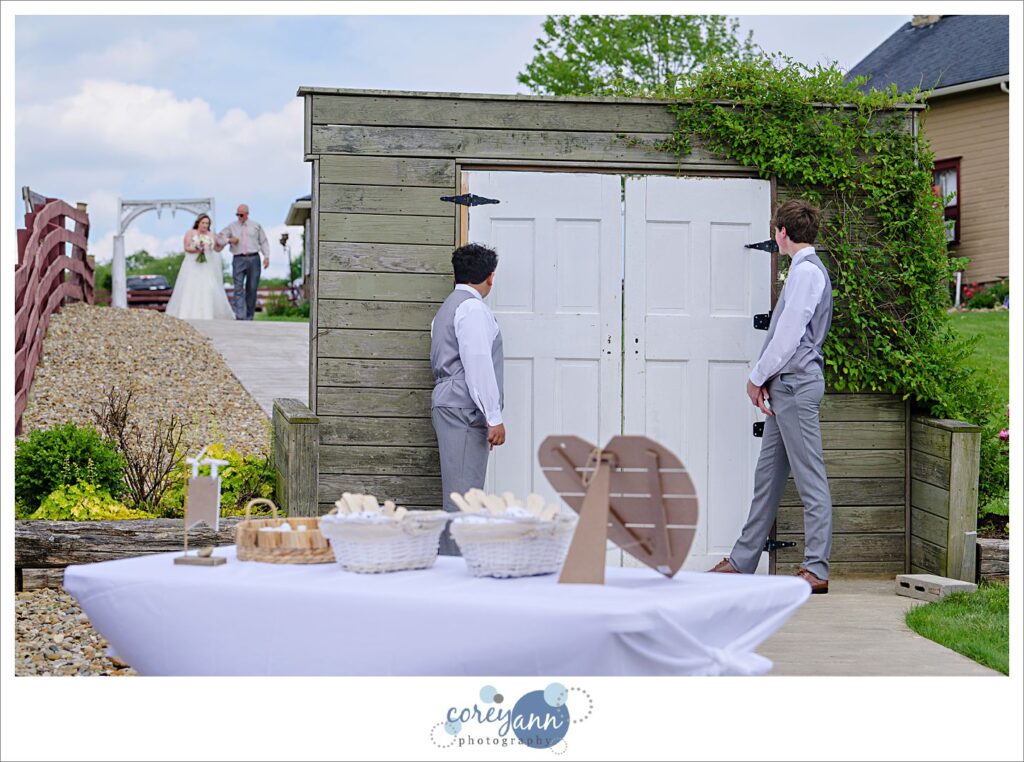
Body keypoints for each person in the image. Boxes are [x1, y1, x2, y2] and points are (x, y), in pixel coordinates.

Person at [709, 199, 834, 594]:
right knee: (768, 476)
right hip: (788, 386)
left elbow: (787, 336)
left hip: (795, 385)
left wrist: (755, 377)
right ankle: (743, 560)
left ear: (782, 232)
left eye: (775, 231)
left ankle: (817, 568)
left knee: (809, 476)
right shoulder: (803, 271)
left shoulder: (805, 275)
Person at [430, 243, 506, 554]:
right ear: (490, 277)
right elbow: (478, 364)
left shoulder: (448, 307)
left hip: (450, 402)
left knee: (460, 494)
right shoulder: (472, 309)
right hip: (464, 407)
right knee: (464, 498)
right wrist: (494, 416)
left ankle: (453, 563)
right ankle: (455, 569)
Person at [165, 213, 235, 321]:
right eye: (203, 223)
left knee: (208, 286)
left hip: (207, 265)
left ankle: (208, 313)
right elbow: (187, 247)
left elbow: (216, 249)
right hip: (192, 264)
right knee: (191, 286)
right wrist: (198, 249)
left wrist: (225, 243)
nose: (205, 225)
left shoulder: (211, 234)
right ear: (198, 223)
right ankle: (187, 313)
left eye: (207, 223)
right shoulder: (190, 233)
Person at [219, 204, 270, 320]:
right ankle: (240, 316)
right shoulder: (232, 226)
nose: (239, 217)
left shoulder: (256, 226)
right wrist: (229, 240)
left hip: (254, 258)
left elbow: (263, 241)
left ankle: (249, 316)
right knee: (238, 287)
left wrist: (266, 256)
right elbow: (220, 237)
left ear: (247, 214)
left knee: (252, 288)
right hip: (238, 259)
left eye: (241, 214)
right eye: (237, 214)